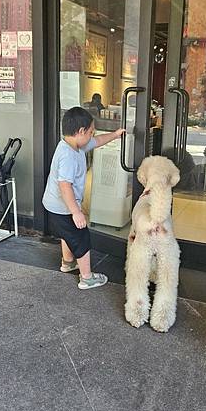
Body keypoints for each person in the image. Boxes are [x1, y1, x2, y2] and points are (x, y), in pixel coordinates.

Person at [42, 106, 125, 289]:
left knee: (67, 234)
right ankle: (87, 277)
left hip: (54, 205)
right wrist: (76, 212)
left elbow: (97, 141)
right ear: (81, 131)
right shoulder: (68, 156)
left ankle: (68, 262)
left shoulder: (72, 144)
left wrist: (115, 134)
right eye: (90, 131)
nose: (92, 135)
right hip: (63, 206)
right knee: (81, 238)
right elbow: (65, 186)